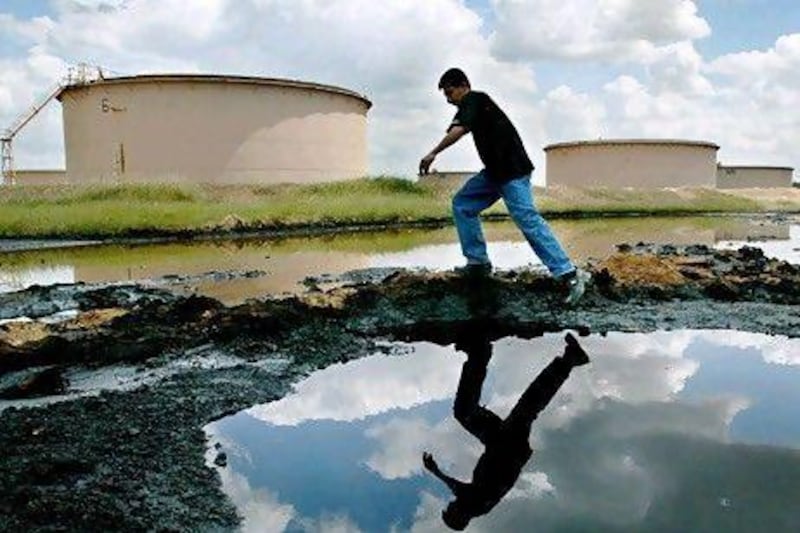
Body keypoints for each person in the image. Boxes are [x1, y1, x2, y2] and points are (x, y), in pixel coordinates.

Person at [419, 67, 590, 304]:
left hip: (512, 170)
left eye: (450, 93)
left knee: (526, 217)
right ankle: (478, 263)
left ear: (463, 86)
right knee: (463, 204)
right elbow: (459, 125)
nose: (448, 100)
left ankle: (569, 273)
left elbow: (459, 130)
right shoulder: (470, 106)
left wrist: (432, 153)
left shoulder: (475, 98)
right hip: (494, 173)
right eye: (445, 96)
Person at [422, 329, 590, 530]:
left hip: (498, 444)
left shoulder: (475, 505)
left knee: (467, 412)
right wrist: (436, 472)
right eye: (450, 509)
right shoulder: (475, 506)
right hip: (508, 448)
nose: (450, 504)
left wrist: (437, 473)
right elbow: (459, 489)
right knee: (528, 404)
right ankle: (569, 360)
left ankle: (479, 354)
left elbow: (459, 490)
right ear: (460, 516)